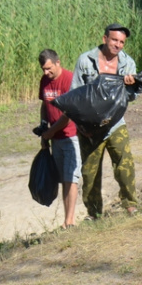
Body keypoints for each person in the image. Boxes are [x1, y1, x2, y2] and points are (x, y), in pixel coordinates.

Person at [58, 23, 139, 219]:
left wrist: (130, 86)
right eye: (114, 40)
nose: (118, 45)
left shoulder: (128, 63)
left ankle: (131, 206)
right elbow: (74, 96)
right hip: (89, 128)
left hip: (115, 124)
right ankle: (94, 215)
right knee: (90, 173)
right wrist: (81, 126)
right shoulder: (85, 60)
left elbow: (130, 97)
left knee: (125, 164)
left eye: (121, 42)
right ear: (105, 39)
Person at [37, 49, 81, 229]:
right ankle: (66, 219)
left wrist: (50, 132)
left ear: (57, 62)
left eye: (48, 68)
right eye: (43, 69)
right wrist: (43, 126)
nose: (46, 72)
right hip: (55, 139)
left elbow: (67, 116)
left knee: (72, 177)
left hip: (71, 136)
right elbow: (44, 105)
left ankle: (70, 221)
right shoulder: (44, 81)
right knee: (64, 178)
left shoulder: (69, 80)